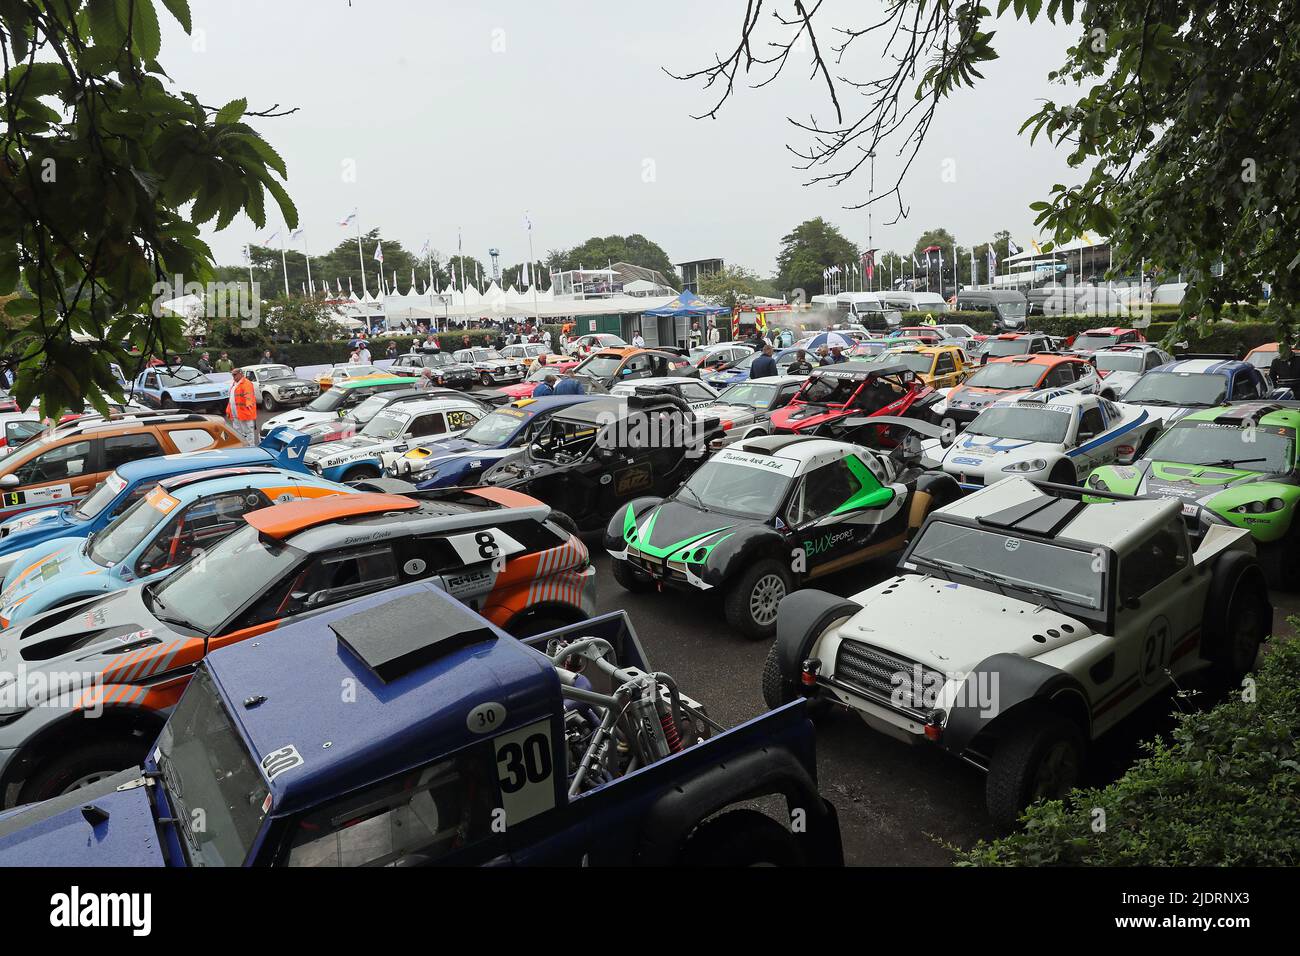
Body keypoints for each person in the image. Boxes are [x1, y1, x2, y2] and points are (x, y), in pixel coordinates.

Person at [227, 368, 258, 445]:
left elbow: (249, 395)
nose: (233, 377)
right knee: (237, 432)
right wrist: (228, 410)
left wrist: (249, 403)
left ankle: (251, 447)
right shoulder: (234, 384)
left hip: (244, 413)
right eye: (232, 375)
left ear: (240, 374)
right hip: (236, 414)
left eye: (235, 375)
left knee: (247, 431)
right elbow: (231, 399)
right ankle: (241, 447)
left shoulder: (246, 383)